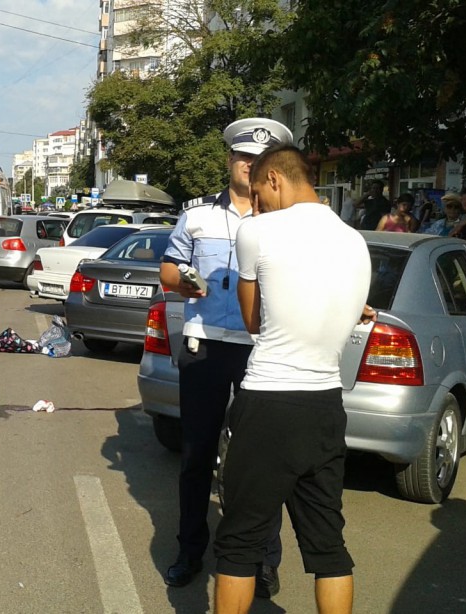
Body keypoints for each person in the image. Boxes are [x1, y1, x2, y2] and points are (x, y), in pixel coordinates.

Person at [213, 144, 370, 614]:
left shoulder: (255, 231)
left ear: (276, 179)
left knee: (239, 543)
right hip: (325, 404)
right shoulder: (355, 241)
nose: (258, 204)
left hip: (270, 401)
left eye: (260, 192)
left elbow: (252, 321)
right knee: (328, 548)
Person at [158, 117, 291, 595]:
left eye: (257, 159)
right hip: (205, 345)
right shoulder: (197, 216)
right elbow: (168, 271)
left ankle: (263, 560)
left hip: (263, 351)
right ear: (230, 160)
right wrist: (183, 281)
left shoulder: (283, 220)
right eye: (241, 156)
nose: (247, 164)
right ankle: (190, 550)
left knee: (261, 462)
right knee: (196, 456)